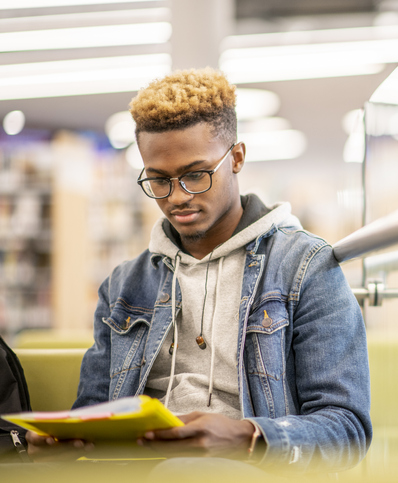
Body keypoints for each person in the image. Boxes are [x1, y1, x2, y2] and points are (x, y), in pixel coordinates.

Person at [25, 68, 372, 474]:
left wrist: (248, 438)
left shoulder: (305, 267)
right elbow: (92, 412)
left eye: (195, 175)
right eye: (158, 180)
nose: (177, 197)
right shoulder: (124, 284)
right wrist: (65, 441)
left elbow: (347, 429)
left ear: (237, 158)